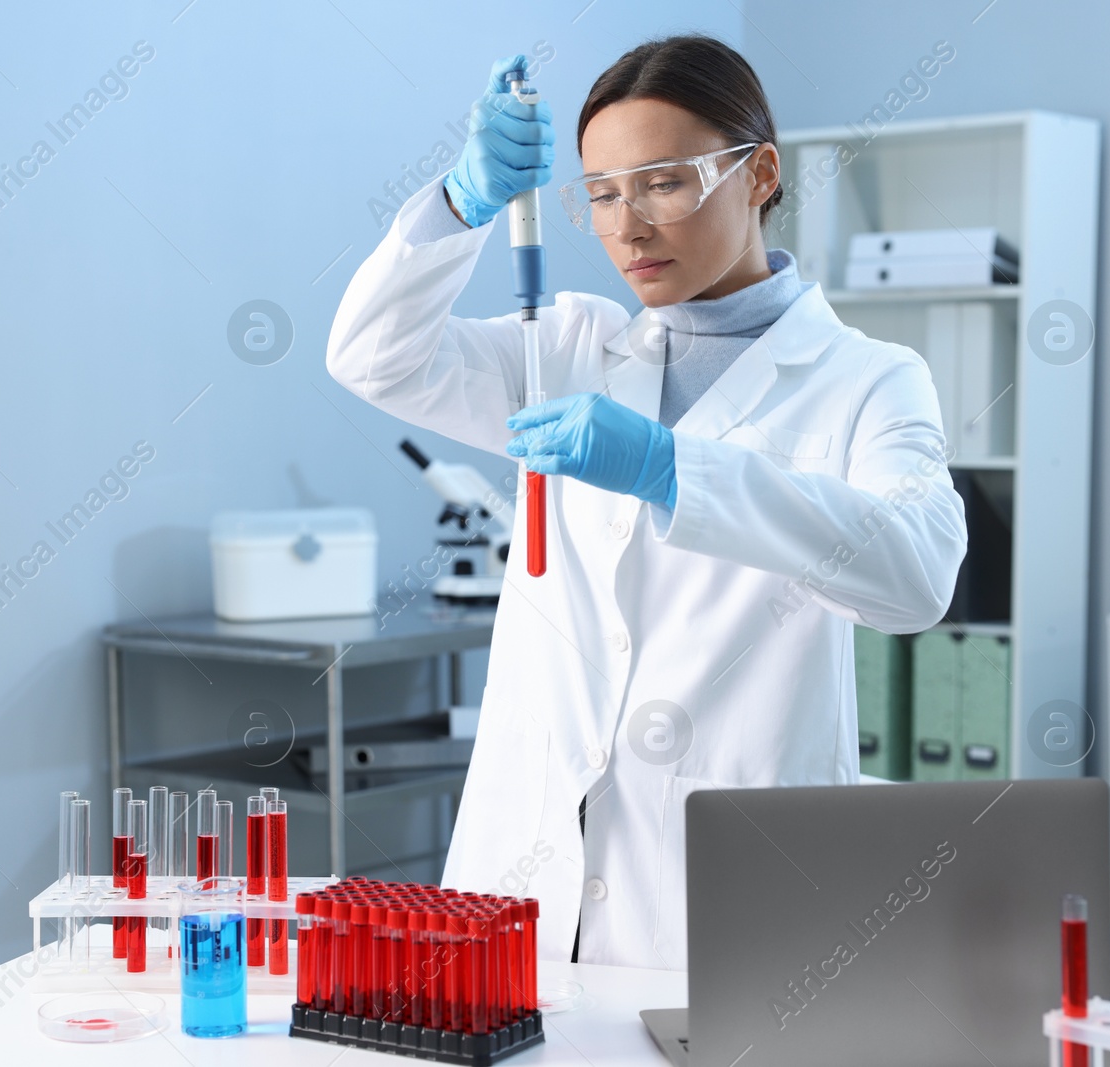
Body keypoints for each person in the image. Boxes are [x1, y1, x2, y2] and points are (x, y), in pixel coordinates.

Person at [326, 35, 967, 971]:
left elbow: (914, 578)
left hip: (729, 881)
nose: (627, 226)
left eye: (662, 183)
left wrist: (676, 469)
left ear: (759, 174)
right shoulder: (569, 347)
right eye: (601, 192)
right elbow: (374, 357)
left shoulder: (871, 381)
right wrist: (462, 203)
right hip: (528, 870)